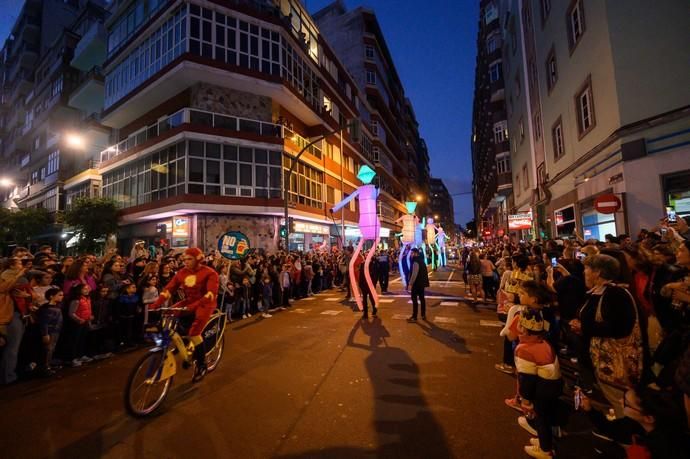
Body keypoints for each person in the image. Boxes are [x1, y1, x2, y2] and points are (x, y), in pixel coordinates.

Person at [150, 247, 219, 383]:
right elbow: (169, 289)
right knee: (170, 314)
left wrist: (194, 306)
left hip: (206, 304)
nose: (185, 262)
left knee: (194, 332)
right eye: (184, 259)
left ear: (198, 259)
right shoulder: (181, 273)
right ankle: (184, 343)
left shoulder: (210, 273)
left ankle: (201, 365)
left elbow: (211, 294)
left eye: (189, 259)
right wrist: (157, 303)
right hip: (189, 302)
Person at [37, 288, 64, 376]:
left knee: (51, 349)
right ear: (51, 296)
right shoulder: (47, 308)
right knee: (48, 349)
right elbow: (44, 322)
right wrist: (45, 334)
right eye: (59, 295)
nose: (62, 297)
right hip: (51, 332)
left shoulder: (57, 306)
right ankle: (45, 367)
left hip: (56, 331)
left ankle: (48, 365)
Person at [406, 247, 429, 321]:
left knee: (414, 299)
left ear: (416, 253)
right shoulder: (421, 260)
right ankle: (423, 315)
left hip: (416, 283)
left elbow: (414, 274)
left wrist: (410, 283)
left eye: (412, 253)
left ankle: (414, 316)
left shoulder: (415, 261)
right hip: (421, 283)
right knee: (422, 299)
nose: (411, 255)